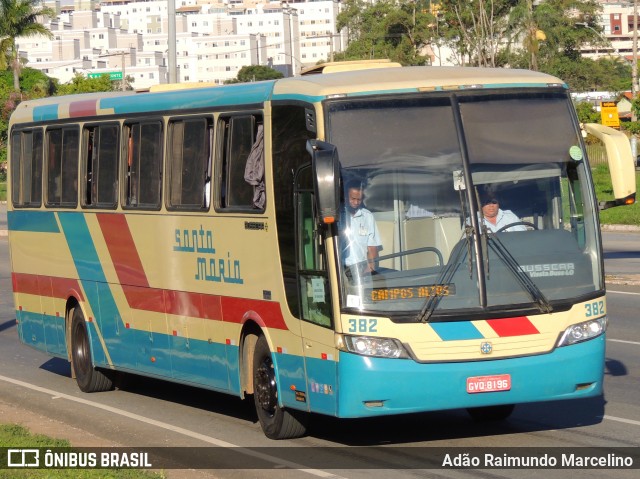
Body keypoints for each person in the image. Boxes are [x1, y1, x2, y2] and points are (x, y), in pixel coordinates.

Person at [341, 180, 382, 273]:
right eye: (353, 199)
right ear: (346, 197)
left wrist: (371, 268)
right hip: (341, 267)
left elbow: (372, 246)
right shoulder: (339, 216)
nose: (356, 202)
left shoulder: (367, 216)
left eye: (359, 199)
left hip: (361, 268)